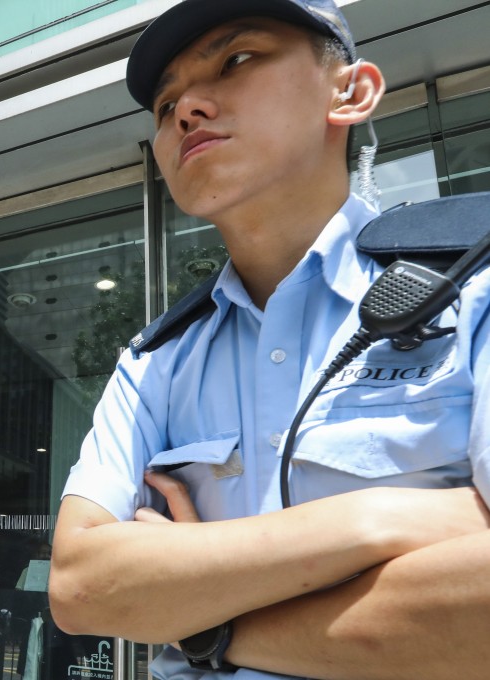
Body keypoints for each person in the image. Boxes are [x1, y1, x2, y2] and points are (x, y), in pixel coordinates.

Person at [49, 1, 490, 678]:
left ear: (352, 91)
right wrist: (378, 520)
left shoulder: (474, 285)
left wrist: (204, 626)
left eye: (237, 60)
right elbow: (81, 587)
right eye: (165, 105)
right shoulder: (155, 359)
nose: (187, 109)